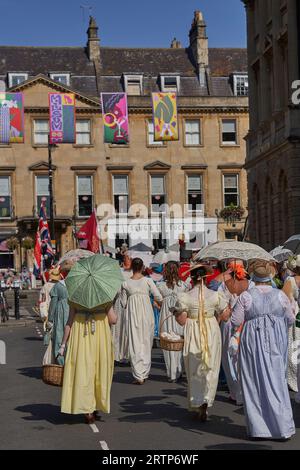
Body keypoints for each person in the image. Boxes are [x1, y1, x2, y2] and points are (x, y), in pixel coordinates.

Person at [231, 262, 295, 440]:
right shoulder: (281, 295)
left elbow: (236, 321)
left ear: (254, 277)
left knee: (254, 381)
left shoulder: (246, 296)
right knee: (277, 381)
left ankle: (260, 428)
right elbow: (290, 319)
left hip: (252, 342)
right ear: (269, 277)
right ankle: (282, 427)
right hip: (276, 342)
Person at [173, 265, 229, 421]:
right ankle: (205, 401)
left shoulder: (185, 296)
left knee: (195, 366)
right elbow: (225, 316)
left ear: (192, 278)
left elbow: (182, 320)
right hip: (211, 330)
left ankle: (198, 402)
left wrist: (175, 313)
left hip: (194, 330)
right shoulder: (215, 295)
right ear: (205, 278)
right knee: (210, 366)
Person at [59, 302, 117, 424]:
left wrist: (63, 344)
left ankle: (87, 408)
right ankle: (95, 404)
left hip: (81, 336)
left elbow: (69, 322)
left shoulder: (75, 299)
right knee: (99, 370)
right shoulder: (105, 298)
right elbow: (113, 320)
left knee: (83, 370)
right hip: (100, 337)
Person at [120, 257, 162, 384]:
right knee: (146, 341)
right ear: (143, 267)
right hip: (146, 312)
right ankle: (144, 371)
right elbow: (158, 296)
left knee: (135, 341)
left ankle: (138, 374)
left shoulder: (125, 283)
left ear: (132, 267)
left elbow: (123, 303)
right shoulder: (148, 281)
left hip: (132, 313)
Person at [218, 260, 254, 405]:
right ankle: (246, 392)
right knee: (245, 357)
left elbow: (220, 308)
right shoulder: (250, 285)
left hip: (228, 323)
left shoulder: (224, 285)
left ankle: (235, 392)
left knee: (228, 357)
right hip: (246, 322)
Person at [157, 261, 189, 382]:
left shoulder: (161, 286)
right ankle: (179, 369)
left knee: (168, 342)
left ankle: (171, 373)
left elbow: (158, 301)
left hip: (166, 314)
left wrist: (164, 303)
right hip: (179, 314)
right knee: (179, 341)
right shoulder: (183, 286)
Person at [44, 268, 69, 366]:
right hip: (76, 313)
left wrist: (50, 320)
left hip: (61, 314)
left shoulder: (58, 286)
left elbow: (53, 305)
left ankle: (62, 365)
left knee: (60, 338)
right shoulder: (78, 285)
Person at [282, 255, 300, 392]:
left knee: (294, 346)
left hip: (295, 314)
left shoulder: (291, 280)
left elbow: (284, 299)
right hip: (296, 315)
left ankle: (294, 379)